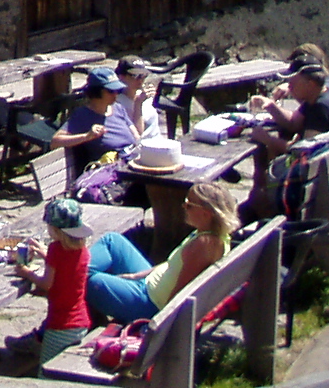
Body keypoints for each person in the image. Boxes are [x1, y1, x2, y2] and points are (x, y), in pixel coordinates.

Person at [83, 181, 239, 322]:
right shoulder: (209, 233)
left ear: (206, 214)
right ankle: (73, 274)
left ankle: (69, 278)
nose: (184, 207)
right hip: (149, 284)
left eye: (189, 205)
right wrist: (136, 276)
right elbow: (173, 265)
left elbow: (180, 294)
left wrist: (159, 324)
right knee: (112, 240)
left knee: (88, 279)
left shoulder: (204, 245)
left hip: (150, 304)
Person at [14, 195, 94, 362]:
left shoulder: (56, 250)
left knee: (46, 372)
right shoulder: (83, 251)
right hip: (81, 320)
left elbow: (46, 284)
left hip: (61, 326)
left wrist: (26, 272)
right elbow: (67, 269)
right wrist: (46, 256)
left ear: (57, 230)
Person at [251, 58, 329, 160]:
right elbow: (293, 123)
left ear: (310, 84)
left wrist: (267, 139)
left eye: (293, 81)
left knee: (274, 159)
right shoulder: (324, 92)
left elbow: (302, 152)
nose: (289, 85)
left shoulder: (321, 108)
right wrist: (271, 106)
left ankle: (261, 183)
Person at [53, 67, 126, 180]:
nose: (116, 94)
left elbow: (137, 138)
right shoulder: (83, 115)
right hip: (112, 172)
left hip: (131, 163)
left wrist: (138, 106)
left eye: (118, 90)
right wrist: (87, 136)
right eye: (111, 91)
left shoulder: (119, 108)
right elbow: (55, 142)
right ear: (97, 92)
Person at [108, 56, 154, 148]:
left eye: (143, 76)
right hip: (142, 148)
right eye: (135, 76)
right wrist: (138, 104)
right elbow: (136, 136)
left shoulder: (143, 94)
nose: (141, 80)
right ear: (121, 77)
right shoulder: (117, 103)